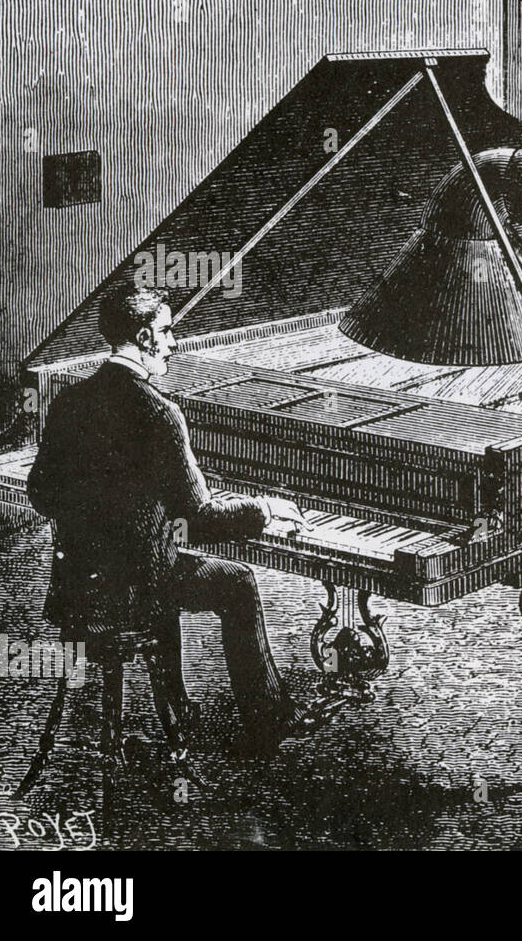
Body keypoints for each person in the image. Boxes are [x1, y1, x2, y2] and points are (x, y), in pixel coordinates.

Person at [27, 281, 333, 752]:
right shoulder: (160, 413)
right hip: (139, 589)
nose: (173, 343)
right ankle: (269, 722)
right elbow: (202, 516)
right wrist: (263, 509)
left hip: (80, 586)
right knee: (237, 581)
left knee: (160, 558)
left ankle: (177, 709)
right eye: (167, 332)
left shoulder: (70, 402)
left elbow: (42, 493)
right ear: (145, 338)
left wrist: (115, 516)